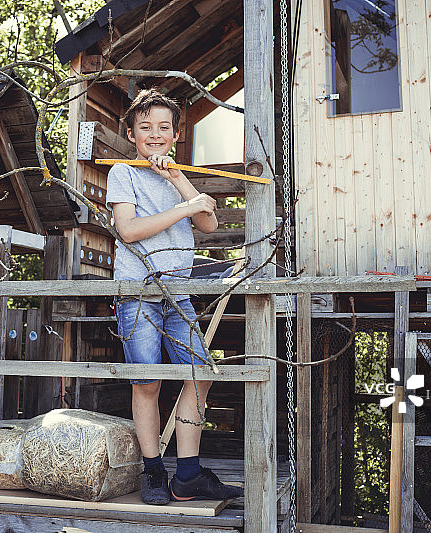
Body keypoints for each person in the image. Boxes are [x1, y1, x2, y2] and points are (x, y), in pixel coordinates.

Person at [106, 88, 244, 505]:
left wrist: (180, 182)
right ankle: (153, 473)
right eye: (145, 128)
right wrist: (186, 208)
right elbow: (128, 230)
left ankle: (187, 475)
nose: (154, 135)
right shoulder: (122, 173)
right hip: (140, 294)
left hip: (178, 294)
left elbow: (208, 222)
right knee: (146, 384)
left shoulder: (176, 173)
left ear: (175, 134)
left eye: (163, 128)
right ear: (132, 134)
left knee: (200, 374)